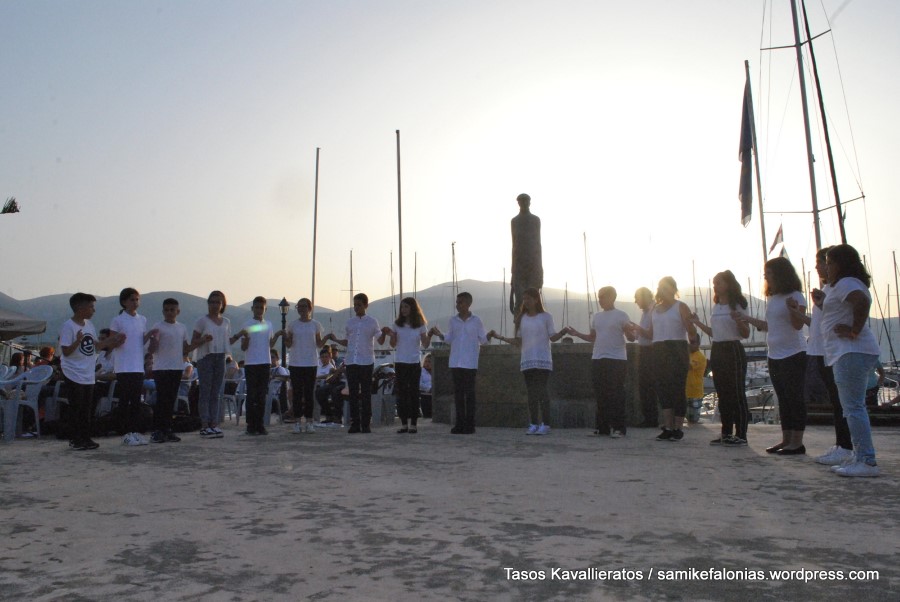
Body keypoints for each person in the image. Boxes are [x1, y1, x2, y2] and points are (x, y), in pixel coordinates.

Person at [820, 244, 881, 477]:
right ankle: (859, 456)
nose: (826, 266)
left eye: (829, 261)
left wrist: (854, 330)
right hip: (848, 352)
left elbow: (861, 302)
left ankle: (867, 460)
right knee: (852, 408)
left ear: (840, 264)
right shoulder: (846, 284)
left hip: (850, 352)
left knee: (853, 408)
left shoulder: (846, 283)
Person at [735, 257, 808, 455]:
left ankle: (797, 442)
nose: (765, 276)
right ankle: (786, 439)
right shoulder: (773, 298)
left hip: (794, 353)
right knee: (782, 399)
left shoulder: (796, 296)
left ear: (780, 274)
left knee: (794, 398)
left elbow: (798, 325)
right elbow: (770, 326)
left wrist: (793, 309)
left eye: (769, 272)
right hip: (774, 355)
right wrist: (746, 318)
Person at [800, 247, 854, 466]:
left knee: (842, 401)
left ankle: (846, 446)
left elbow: (857, 305)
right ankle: (841, 443)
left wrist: (854, 329)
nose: (818, 267)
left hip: (832, 352)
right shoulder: (827, 289)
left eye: (821, 262)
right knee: (835, 400)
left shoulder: (841, 287)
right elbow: (823, 322)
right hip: (820, 351)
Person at [490, 288, 566, 435]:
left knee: (542, 392)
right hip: (528, 360)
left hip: (542, 359)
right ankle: (533, 423)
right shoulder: (522, 318)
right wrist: (500, 337)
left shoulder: (546, 317)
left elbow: (553, 337)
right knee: (531, 393)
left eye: (528, 298)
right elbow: (518, 341)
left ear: (536, 299)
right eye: (524, 299)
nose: (525, 301)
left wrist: (563, 332)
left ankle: (546, 423)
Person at [633, 277, 698, 441]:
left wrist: (692, 328)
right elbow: (650, 334)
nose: (664, 290)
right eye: (661, 287)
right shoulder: (655, 309)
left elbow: (690, 330)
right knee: (663, 389)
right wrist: (636, 328)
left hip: (676, 348)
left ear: (674, 289)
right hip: (658, 348)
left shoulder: (680, 306)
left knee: (677, 388)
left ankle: (678, 427)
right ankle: (668, 427)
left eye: (667, 287)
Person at [690, 270, 751, 445]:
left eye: (719, 283)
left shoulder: (738, 305)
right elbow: (713, 332)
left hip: (733, 348)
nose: (715, 286)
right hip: (718, 348)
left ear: (728, 284)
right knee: (723, 393)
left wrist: (738, 320)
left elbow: (745, 333)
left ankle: (741, 434)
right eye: (714, 283)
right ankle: (726, 432)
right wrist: (698, 323)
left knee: (737, 393)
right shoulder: (717, 306)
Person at [567, 287, 635, 438]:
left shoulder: (622, 315)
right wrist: (577, 334)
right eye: (599, 297)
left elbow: (631, 338)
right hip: (598, 358)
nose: (600, 299)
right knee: (601, 394)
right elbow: (593, 337)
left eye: (603, 296)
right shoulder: (597, 317)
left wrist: (631, 331)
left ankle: (619, 428)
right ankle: (602, 427)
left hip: (617, 359)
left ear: (612, 297)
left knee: (617, 394)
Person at [58, 293, 123, 450]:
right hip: (73, 371)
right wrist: (77, 341)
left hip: (87, 373)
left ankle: (86, 437)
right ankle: (75, 439)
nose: (93, 310)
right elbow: (66, 351)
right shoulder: (68, 326)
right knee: (77, 407)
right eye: (91, 307)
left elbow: (95, 346)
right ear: (80, 307)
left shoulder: (89, 325)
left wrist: (112, 341)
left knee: (87, 407)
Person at [325, 293, 386, 433]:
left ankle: (366, 424)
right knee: (352, 393)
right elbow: (347, 341)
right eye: (355, 305)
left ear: (365, 305)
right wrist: (335, 340)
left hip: (366, 361)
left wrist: (385, 333)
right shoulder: (350, 323)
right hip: (352, 360)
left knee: (365, 393)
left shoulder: (372, 321)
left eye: (359, 305)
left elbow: (380, 340)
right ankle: (355, 423)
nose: (356, 308)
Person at [429, 292, 488, 434]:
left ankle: (470, 424)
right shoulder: (453, 320)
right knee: (458, 395)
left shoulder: (476, 320)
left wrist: (490, 335)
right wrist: (440, 334)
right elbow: (449, 338)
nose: (457, 305)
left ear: (468, 304)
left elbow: (483, 340)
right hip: (456, 361)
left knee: (470, 395)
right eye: (457, 302)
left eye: (460, 302)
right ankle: (459, 423)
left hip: (470, 362)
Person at [110, 287, 157, 447]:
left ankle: (135, 432)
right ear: (124, 302)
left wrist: (149, 335)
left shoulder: (142, 319)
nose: (135, 302)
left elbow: (141, 343)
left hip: (137, 366)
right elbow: (112, 342)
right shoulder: (118, 320)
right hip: (124, 366)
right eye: (132, 299)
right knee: (125, 400)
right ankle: (124, 433)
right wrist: (118, 339)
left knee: (136, 401)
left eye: (137, 299)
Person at [191, 291, 241, 439]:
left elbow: (226, 341)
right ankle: (204, 425)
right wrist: (204, 339)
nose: (214, 305)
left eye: (217, 302)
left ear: (222, 304)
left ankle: (214, 423)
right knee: (205, 391)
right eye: (212, 302)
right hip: (206, 357)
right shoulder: (202, 321)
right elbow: (193, 342)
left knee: (216, 392)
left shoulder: (226, 322)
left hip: (220, 357)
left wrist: (239, 336)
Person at [148, 298, 194, 443]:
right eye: (166, 310)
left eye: (172, 310)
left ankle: (167, 429)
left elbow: (186, 348)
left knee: (170, 400)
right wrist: (153, 342)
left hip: (176, 367)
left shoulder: (182, 328)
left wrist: (201, 341)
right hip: (161, 368)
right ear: (163, 311)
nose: (169, 312)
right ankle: (157, 431)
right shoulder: (158, 326)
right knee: (161, 400)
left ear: (177, 311)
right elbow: (152, 348)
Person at [238, 297, 282, 436]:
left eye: (261, 308)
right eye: (256, 307)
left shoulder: (268, 324)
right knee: (252, 395)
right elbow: (243, 347)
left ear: (265, 309)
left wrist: (277, 335)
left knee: (262, 395)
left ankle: (260, 424)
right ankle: (251, 425)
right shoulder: (247, 324)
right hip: (251, 363)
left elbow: (270, 344)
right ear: (252, 308)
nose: (258, 310)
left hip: (265, 362)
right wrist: (246, 339)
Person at [386, 297, 431, 434]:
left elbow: (425, 344)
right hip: (400, 362)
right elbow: (392, 344)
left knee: (413, 393)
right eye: (402, 307)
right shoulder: (397, 324)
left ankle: (414, 424)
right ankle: (404, 423)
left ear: (412, 308)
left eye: (406, 307)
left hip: (413, 362)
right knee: (402, 394)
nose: (404, 310)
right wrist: (391, 335)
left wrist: (430, 334)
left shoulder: (421, 325)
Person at [284, 298, 324, 434]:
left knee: (308, 393)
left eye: (304, 306)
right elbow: (288, 344)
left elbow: (319, 344)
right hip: (295, 362)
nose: (301, 309)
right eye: (299, 306)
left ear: (309, 308)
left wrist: (328, 338)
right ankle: (297, 422)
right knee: (297, 393)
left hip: (311, 362)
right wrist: (284, 337)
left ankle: (309, 421)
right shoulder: (292, 325)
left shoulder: (316, 325)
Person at [509, 193, 543, 315]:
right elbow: (514, 246)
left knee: (534, 301)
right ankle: (519, 329)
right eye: (521, 201)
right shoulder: (514, 221)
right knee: (520, 301)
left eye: (526, 201)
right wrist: (513, 272)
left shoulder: (535, 220)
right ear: (518, 203)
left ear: (529, 202)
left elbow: (538, 244)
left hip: (533, 264)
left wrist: (540, 270)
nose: (524, 203)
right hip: (519, 266)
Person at [633, 287, 659, 428]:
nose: (636, 302)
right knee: (644, 385)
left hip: (651, 351)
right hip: (643, 350)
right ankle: (648, 417)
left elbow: (651, 334)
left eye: (637, 298)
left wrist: (637, 328)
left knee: (649, 386)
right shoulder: (646, 312)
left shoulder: (654, 310)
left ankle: (651, 418)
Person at [314, 346, 343, 425]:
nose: (324, 359)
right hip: (318, 385)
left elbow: (330, 376)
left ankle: (335, 416)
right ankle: (328, 415)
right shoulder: (318, 367)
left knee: (334, 391)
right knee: (318, 392)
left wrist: (319, 377)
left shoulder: (331, 367)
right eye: (322, 357)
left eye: (326, 357)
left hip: (327, 384)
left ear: (330, 357)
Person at [685, 336, 707, 425]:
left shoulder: (699, 356)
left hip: (695, 392)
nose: (690, 345)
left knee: (693, 419)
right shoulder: (688, 355)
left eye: (692, 343)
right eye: (689, 343)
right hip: (685, 391)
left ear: (698, 344)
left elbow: (688, 366)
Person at [419, 353, 433, 419]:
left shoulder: (436, 372)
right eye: (426, 361)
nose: (427, 364)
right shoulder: (421, 371)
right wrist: (429, 388)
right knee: (427, 416)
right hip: (425, 396)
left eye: (429, 362)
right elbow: (419, 384)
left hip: (434, 396)